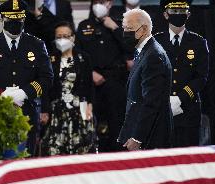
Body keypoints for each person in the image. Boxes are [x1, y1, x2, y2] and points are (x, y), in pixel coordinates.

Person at [0, 0, 54, 156]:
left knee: (26, 161)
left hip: (27, 114)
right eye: (11, 20)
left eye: (19, 20)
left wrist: (24, 93)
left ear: (24, 19)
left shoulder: (36, 45)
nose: (15, 24)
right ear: (2, 20)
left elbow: (46, 77)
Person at [154, 0, 209, 147]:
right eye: (174, 12)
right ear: (166, 15)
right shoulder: (155, 42)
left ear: (188, 14)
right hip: (161, 109)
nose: (178, 15)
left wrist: (180, 98)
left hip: (188, 109)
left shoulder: (199, 42)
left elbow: (201, 77)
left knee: (187, 157)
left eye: (182, 12)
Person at [118, 9, 172, 151]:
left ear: (145, 29)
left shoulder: (153, 56)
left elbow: (151, 102)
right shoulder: (144, 51)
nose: (125, 32)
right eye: (124, 28)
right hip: (141, 130)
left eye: (129, 28)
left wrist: (137, 137)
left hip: (151, 137)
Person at [76, 0, 127, 152]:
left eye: (103, 1)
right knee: (91, 123)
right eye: (97, 2)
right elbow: (77, 55)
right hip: (91, 82)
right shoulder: (84, 25)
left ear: (110, 4)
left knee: (117, 123)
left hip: (115, 80)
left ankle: (118, 159)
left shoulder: (120, 23)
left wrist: (115, 29)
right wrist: (89, 73)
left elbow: (131, 48)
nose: (99, 5)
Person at [41, 21, 96, 155]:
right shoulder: (49, 60)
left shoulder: (84, 58)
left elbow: (89, 85)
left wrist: (90, 105)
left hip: (80, 108)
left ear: (73, 37)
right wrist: (45, 110)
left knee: (82, 148)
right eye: (59, 37)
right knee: (55, 149)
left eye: (65, 36)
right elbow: (45, 88)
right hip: (57, 111)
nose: (62, 40)